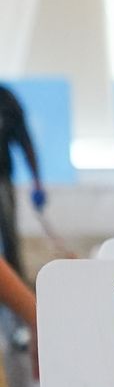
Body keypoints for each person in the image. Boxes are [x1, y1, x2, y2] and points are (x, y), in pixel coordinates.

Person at [0, 83, 45, 279]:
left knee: (8, 238)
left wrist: (36, 182)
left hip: (1, 180)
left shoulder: (6, 100)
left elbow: (25, 142)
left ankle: (17, 297)